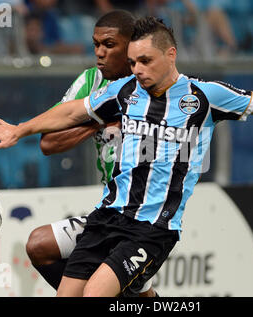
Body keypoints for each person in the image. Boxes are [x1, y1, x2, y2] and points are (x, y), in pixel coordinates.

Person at [0, 16, 253, 297]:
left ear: (171, 55)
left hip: (152, 229)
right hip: (106, 217)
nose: (137, 69)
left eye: (145, 61)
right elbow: (70, 112)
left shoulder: (205, 96)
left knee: (97, 293)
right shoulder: (123, 93)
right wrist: (20, 129)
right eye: (132, 62)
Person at [24, 9, 157, 297]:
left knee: (127, 292)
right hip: (109, 213)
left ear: (131, 46)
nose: (99, 53)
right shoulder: (91, 82)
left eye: (109, 45)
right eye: (96, 44)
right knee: (39, 245)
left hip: (146, 219)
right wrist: (98, 122)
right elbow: (48, 143)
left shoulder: (153, 86)